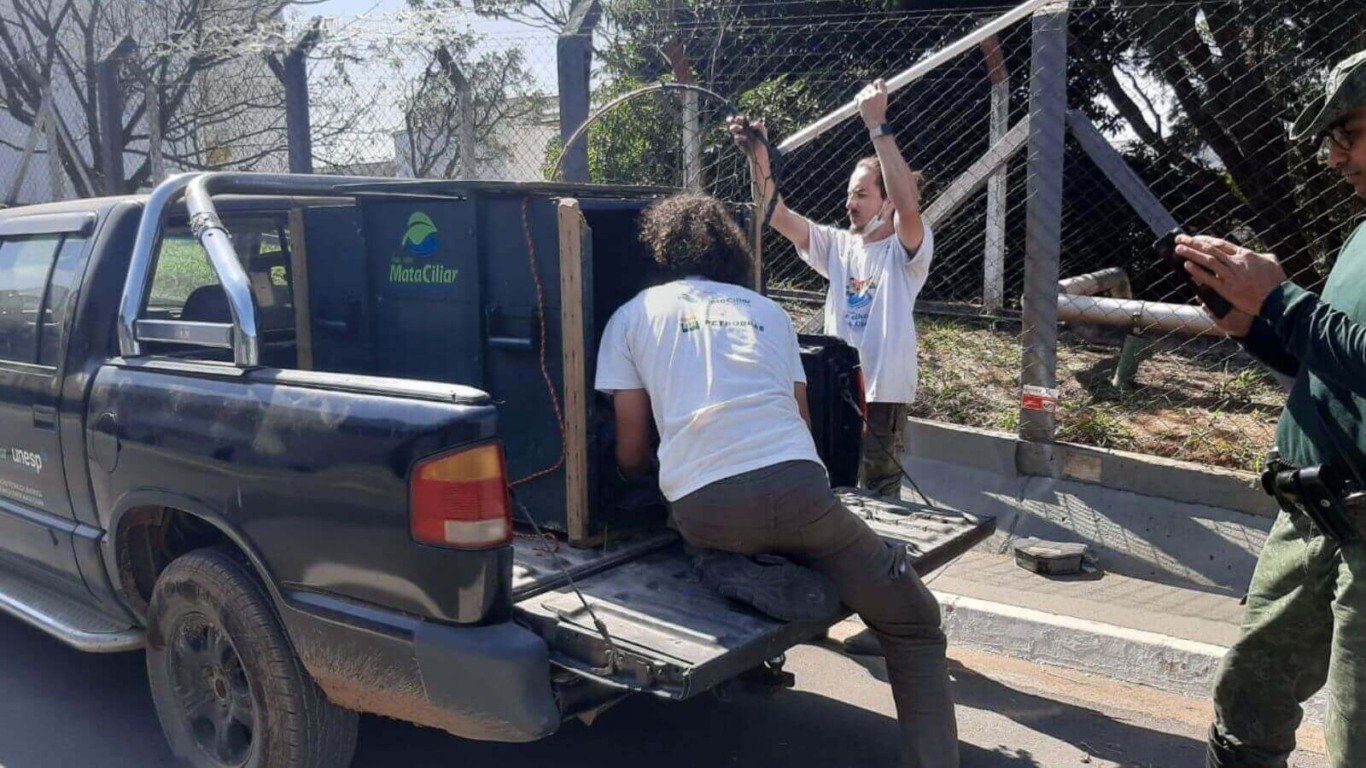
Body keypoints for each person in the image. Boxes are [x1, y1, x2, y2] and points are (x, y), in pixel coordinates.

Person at [594, 193, 958, 768]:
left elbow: (635, 452)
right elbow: (802, 425)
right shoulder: (770, 313)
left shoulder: (632, 315)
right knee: (915, 624)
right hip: (800, 495)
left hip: (704, 510)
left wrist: (628, 482)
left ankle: (726, 565)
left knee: (698, 527)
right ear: (732, 251)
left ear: (662, 249)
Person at [1181, 50, 1366, 768]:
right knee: (1246, 706)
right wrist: (1251, 323)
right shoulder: (1361, 234)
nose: (1334, 157)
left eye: (1348, 133)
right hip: (1310, 515)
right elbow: (1336, 365)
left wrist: (1281, 299)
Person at [729, 79, 934, 502]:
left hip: (882, 395)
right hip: (837, 384)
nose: (849, 204)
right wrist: (758, 156)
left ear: (885, 202)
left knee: (879, 498)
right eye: (848, 195)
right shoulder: (838, 246)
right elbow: (773, 213)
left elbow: (909, 205)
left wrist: (877, 126)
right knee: (832, 484)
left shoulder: (905, 250)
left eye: (861, 194)